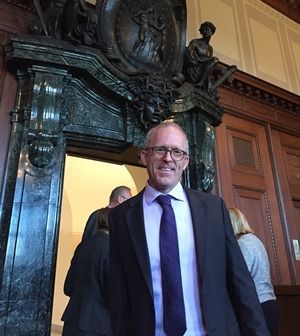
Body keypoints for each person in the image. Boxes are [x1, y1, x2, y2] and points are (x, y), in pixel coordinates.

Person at [109, 121, 270, 336]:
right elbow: (118, 293)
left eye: (177, 152)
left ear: (185, 162)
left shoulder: (212, 209)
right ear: (145, 156)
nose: (168, 158)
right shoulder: (122, 216)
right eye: (160, 149)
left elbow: (240, 282)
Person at [62, 207, 112, 336]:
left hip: (72, 320)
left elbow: (68, 287)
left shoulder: (83, 246)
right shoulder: (112, 250)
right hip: (98, 324)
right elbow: (112, 293)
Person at [229, 207, 279, 336]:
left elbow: (241, 277)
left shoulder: (243, 244)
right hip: (269, 302)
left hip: (257, 306)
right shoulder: (255, 240)